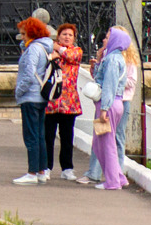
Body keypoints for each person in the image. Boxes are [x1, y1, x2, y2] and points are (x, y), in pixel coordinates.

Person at [84, 25, 139, 184]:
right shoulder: (110, 57)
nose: (103, 39)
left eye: (108, 37)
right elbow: (101, 80)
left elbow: (109, 86)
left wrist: (104, 109)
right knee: (101, 140)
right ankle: (115, 177)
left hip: (110, 104)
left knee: (109, 142)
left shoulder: (115, 59)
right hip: (107, 104)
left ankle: (113, 180)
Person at [11, 16, 55, 185]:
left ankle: (32, 172)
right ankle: (42, 170)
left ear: (31, 33)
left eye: (23, 34)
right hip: (40, 96)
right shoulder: (43, 47)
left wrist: (18, 92)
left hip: (30, 96)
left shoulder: (33, 49)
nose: (21, 37)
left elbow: (29, 74)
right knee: (39, 135)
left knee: (31, 136)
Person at [42, 23, 84, 180]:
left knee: (67, 137)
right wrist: (53, 52)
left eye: (70, 35)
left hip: (69, 102)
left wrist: (58, 50)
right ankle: (46, 167)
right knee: (48, 136)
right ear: (58, 36)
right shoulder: (49, 50)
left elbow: (71, 57)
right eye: (64, 34)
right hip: (52, 101)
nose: (67, 37)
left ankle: (67, 168)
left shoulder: (76, 51)